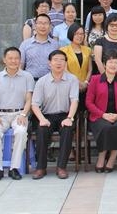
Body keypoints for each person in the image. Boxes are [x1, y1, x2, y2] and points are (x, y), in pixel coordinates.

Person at [0, 47, 34, 182]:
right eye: (10, 58)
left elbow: (29, 99)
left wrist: (24, 114)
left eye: (16, 58)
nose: (14, 61)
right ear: (4, 60)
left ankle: (14, 167)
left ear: (20, 60)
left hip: (19, 113)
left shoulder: (27, 77)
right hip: (1, 115)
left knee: (21, 132)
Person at [30, 50, 79, 180]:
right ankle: (41, 167)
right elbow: (34, 104)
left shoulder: (72, 79)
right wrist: (42, 119)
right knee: (41, 130)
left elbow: (74, 100)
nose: (59, 63)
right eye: (55, 60)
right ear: (49, 63)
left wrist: (69, 118)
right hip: (47, 115)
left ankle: (61, 167)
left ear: (66, 63)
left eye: (62, 60)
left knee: (68, 129)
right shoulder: (42, 81)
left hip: (65, 115)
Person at [86, 52, 117, 173]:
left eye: (116, 62)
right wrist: (103, 115)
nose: (113, 65)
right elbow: (89, 102)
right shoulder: (95, 79)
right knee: (106, 127)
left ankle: (112, 159)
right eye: (110, 62)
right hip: (99, 116)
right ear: (104, 64)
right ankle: (101, 158)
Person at [60, 23, 92, 113]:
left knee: (83, 111)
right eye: (76, 34)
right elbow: (64, 69)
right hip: (69, 86)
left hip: (85, 87)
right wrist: (77, 82)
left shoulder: (87, 50)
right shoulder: (63, 50)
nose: (79, 36)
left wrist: (85, 82)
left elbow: (90, 69)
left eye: (82, 34)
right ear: (71, 34)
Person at [19, 13, 59, 81]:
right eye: (40, 23)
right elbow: (20, 65)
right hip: (30, 81)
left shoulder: (55, 45)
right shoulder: (25, 44)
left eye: (45, 23)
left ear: (50, 27)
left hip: (50, 82)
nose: (42, 26)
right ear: (35, 26)